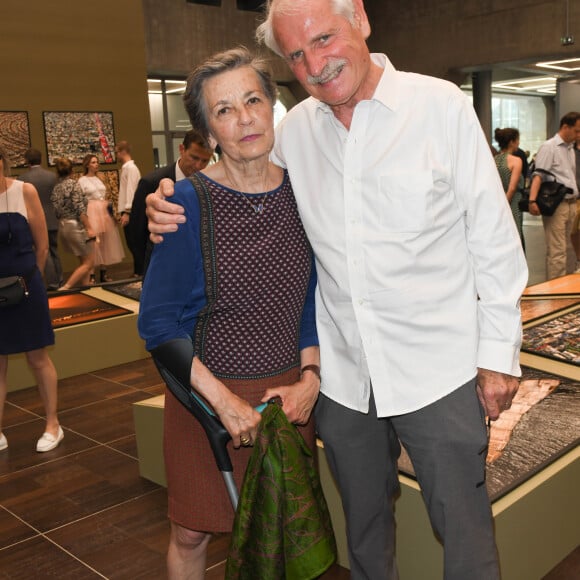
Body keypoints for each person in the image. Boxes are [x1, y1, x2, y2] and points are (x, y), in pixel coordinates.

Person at [146, 1, 528, 578]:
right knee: (364, 528)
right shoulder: (292, 132)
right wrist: (164, 205)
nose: (316, 63)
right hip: (345, 382)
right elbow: (237, 170)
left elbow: (495, 242)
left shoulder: (439, 107)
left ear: (362, 21)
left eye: (324, 39)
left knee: (465, 527)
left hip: (439, 370)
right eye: (296, 54)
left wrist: (498, 359)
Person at [137, 48, 320, 578]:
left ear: (272, 108)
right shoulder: (184, 205)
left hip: (286, 398)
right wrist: (223, 404)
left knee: (281, 534)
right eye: (224, 110)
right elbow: (157, 324)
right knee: (192, 531)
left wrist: (310, 376)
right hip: (203, 395)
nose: (244, 119)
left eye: (253, 100)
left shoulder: (303, 191)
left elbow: (309, 296)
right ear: (208, 132)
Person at [0, 145, 63, 453]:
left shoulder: (24, 191)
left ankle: (53, 424)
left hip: (26, 289)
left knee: (37, 359)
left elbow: (42, 246)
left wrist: (30, 283)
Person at [128, 129, 214, 277]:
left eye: (205, 161)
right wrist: (146, 271)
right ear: (182, 149)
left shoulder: (211, 184)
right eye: (194, 157)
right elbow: (136, 232)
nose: (198, 166)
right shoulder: (150, 183)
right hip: (161, 268)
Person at [528, 111, 580, 280]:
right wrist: (532, 200)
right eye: (577, 131)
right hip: (557, 205)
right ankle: (556, 290)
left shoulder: (571, 149)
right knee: (557, 250)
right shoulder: (549, 147)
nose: (578, 135)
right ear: (566, 127)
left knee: (571, 248)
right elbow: (538, 175)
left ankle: (569, 286)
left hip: (572, 203)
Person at [18, 148, 63, 290]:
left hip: (35, 220)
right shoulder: (52, 176)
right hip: (53, 218)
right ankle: (60, 279)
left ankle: (52, 282)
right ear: (41, 159)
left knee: (43, 249)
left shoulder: (22, 179)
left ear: (27, 161)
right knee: (54, 251)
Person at [78, 154, 125, 283]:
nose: (96, 164)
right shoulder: (82, 180)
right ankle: (91, 274)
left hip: (103, 211)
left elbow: (104, 196)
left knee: (105, 242)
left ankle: (104, 273)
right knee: (93, 244)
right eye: (93, 162)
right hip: (91, 210)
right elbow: (81, 199)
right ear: (87, 164)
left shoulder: (100, 178)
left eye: (97, 162)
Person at [50, 158, 95, 290]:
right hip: (76, 226)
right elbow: (80, 208)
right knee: (89, 262)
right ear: (72, 170)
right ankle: (66, 287)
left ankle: (86, 289)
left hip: (63, 225)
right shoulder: (74, 185)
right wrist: (89, 228)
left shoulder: (57, 187)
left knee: (82, 260)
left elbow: (56, 210)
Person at [494, 127, 525, 248]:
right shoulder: (516, 161)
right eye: (518, 140)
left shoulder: (493, 160)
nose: (519, 143)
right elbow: (512, 188)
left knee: (501, 236)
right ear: (512, 141)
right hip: (512, 203)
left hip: (497, 202)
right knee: (515, 234)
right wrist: (505, 206)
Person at [115, 141, 141, 277]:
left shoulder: (131, 169)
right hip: (128, 210)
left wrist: (127, 212)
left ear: (123, 152)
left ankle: (139, 272)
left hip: (131, 212)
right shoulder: (126, 168)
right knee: (131, 243)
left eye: (117, 152)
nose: (117, 155)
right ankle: (138, 271)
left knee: (134, 243)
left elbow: (131, 190)